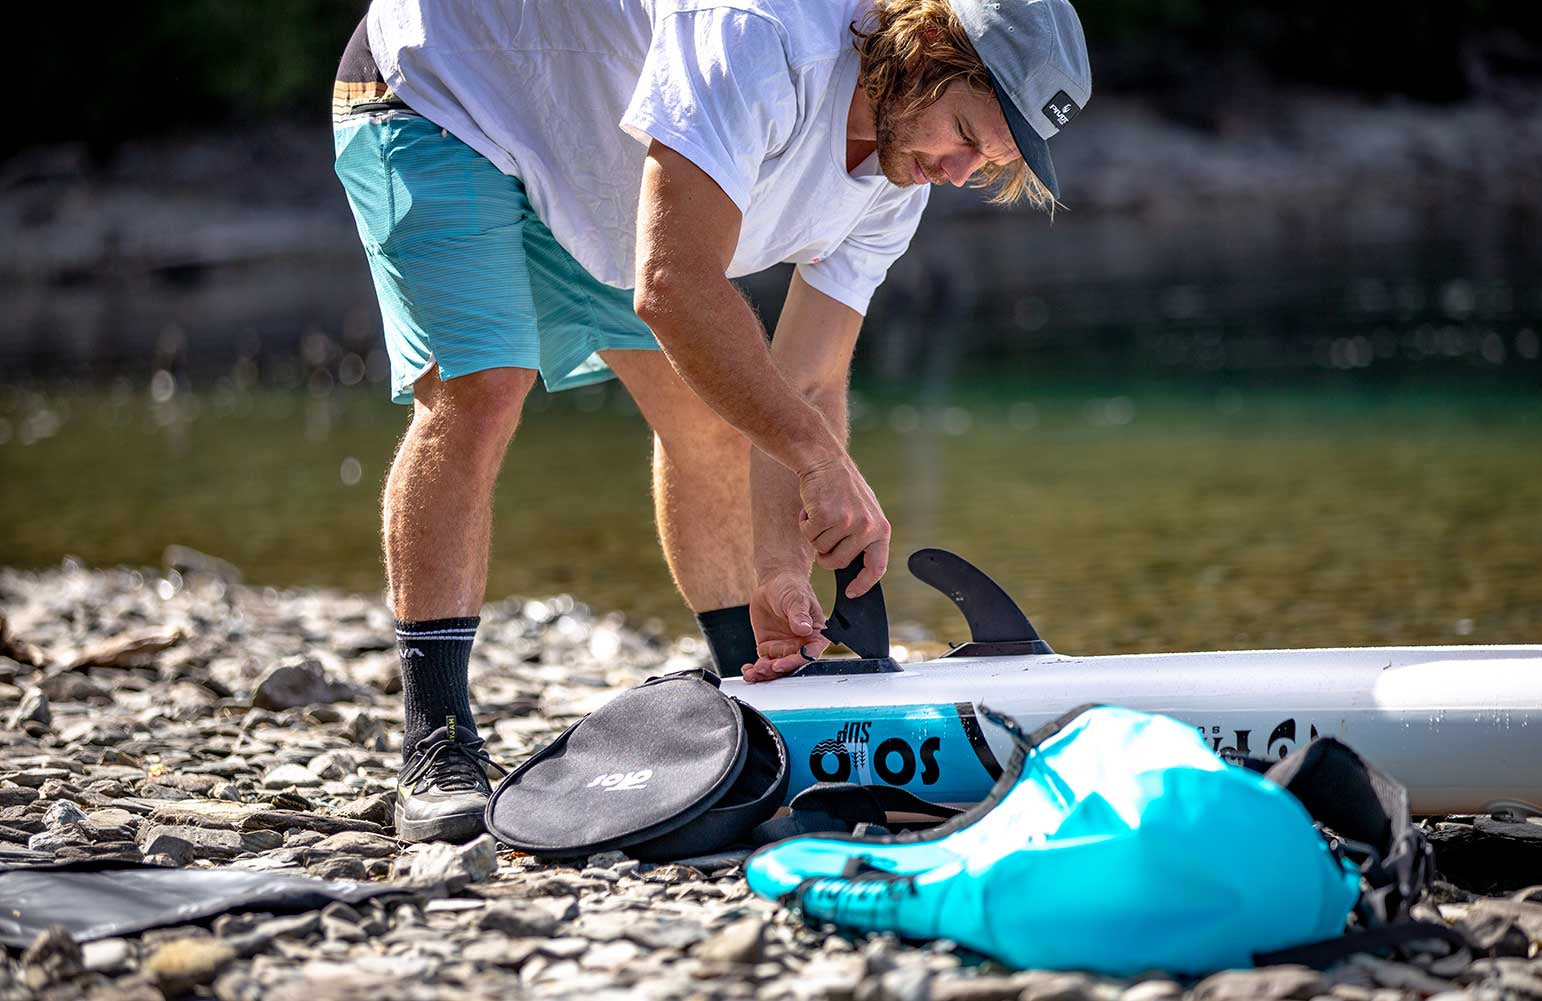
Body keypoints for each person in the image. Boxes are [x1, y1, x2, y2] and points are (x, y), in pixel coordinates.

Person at [330, 0, 1091, 842]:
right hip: (445, 83)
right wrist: (818, 461)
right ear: (930, 49)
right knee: (484, 384)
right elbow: (674, 286)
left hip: (588, 151)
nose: (959, 172)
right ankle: (438, 740)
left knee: (722, 413)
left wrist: (781, 569)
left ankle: (750, 691)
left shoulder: (896, 178)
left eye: (988, 161)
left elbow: (803, 379)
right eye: (965, 133)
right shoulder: (760, 33)